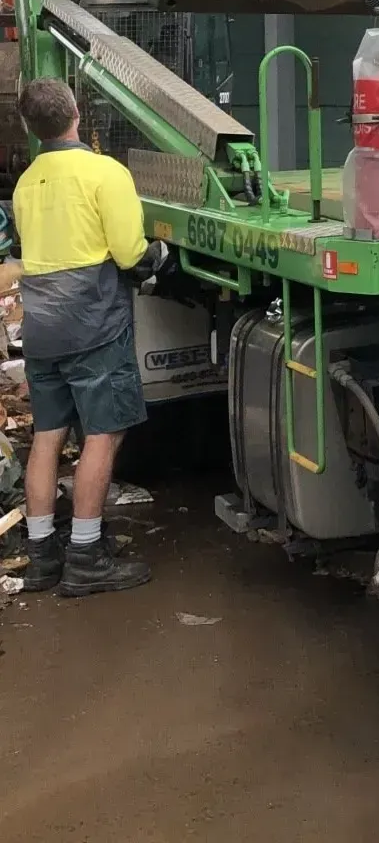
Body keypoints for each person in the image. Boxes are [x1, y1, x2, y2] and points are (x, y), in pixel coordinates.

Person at [12, 78, 163, 596]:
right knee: (102, 434)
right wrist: (160, 256)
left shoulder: (27, 182)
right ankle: (85, 555)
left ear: (31, 129)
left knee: (48, 437)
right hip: (93, 325)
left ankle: (40, 557)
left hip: (41, 329)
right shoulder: (105, 173)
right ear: (77, 112)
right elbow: (129, 253)